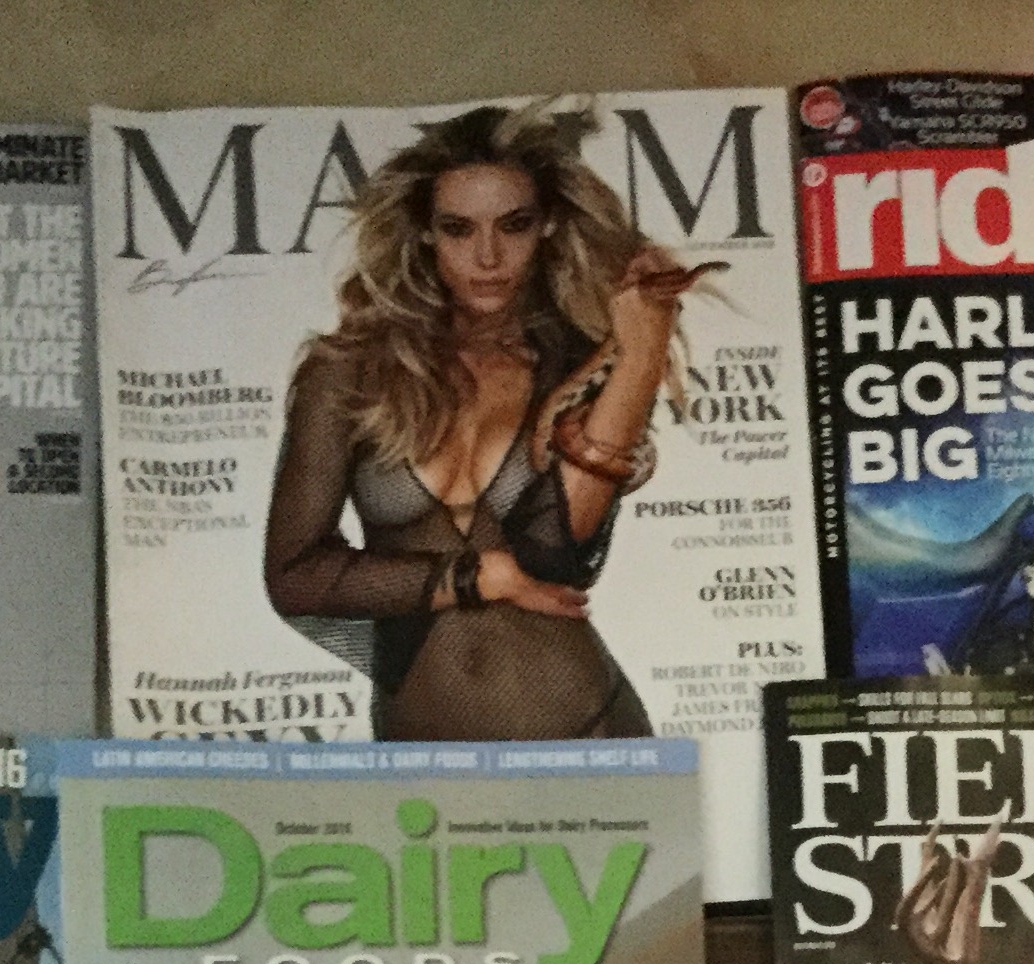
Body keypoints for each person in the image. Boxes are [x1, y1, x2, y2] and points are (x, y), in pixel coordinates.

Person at [261, 102, 708, 739]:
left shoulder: (577, 365)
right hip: (421, 752)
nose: (489, 256)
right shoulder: (347, 373)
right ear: (424, 232)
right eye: (458, 229)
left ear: (547, 225)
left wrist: (642, 354)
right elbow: (295, 577)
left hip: (586, 731)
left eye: (514, 225)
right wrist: (477, 577)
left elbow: (559, 551)